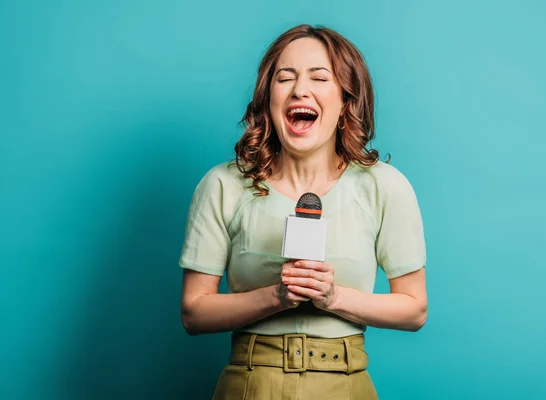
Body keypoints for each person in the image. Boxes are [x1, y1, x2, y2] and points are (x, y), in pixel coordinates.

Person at [178, 24, 427, 400]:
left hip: (344, 383)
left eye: (319, 77)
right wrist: (276, 296)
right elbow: (194, 312)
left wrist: (332, 297)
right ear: (268, 99)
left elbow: (414, 309)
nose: (299, 89)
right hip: (251, 384)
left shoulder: (384, 186)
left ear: (346, 100)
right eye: (285, 77)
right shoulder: (223, 184)